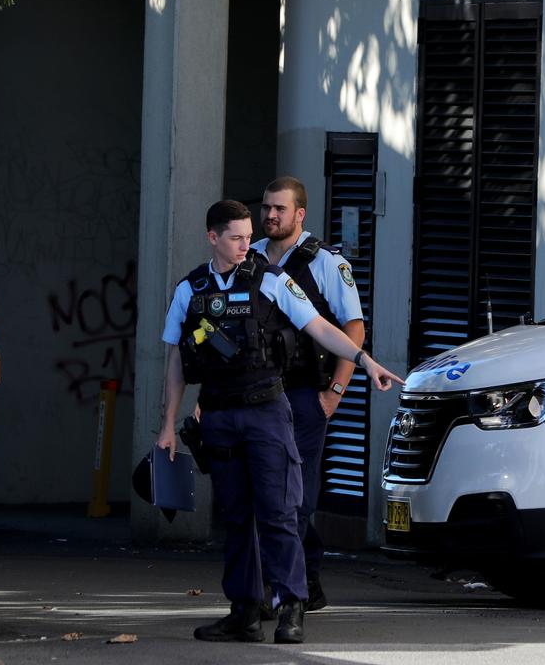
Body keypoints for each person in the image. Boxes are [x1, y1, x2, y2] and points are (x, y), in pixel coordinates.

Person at [156, 199, 403, 645]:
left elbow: (321, 327)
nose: (247, 245)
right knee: (236, 517)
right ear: (213, 237)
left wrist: (365, 362)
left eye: (250, 236)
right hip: (218, 414)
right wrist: (169, 423)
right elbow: (175, 357)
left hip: (267, 411)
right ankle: (244, 612)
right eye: (236, 237)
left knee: (279, 512)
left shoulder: (271, 279)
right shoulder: (189, 289)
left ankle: (292, 606)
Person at [252, 176, 363, 612]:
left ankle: (280, 591)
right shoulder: (253, 257)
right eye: (266, 208)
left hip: (305, 393)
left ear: (300, 214)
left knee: (294, 495)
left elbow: (353, 328)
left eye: (280, 209)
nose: (270, 216)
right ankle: (307, 578)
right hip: (260, 392)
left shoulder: (326, 264)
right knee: (268, 490)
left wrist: (334, 393)